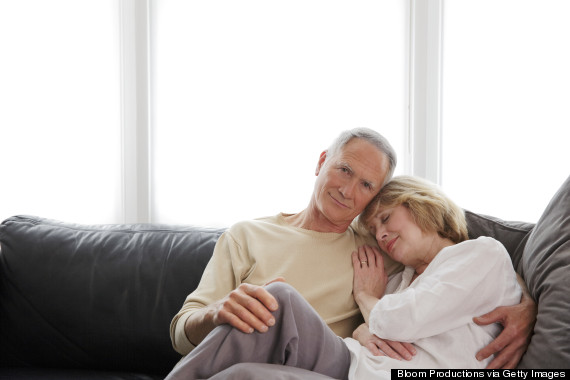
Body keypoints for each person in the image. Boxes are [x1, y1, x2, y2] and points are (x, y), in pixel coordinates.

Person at [168, 129, 535, 377]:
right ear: (321, 161)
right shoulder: (246, 235)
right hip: (258, 353)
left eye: (366, 185)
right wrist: (217, 313)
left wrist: (529, 305)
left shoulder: (378, 248)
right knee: (250, 349)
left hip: (332, 365)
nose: (347, 190)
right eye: (343, 169)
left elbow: (484, 255)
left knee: (275, 302)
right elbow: (182, 333)